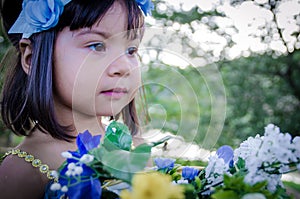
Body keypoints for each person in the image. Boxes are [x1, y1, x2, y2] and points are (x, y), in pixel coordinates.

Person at [0, 0, 152, 198]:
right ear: (31, 58)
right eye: (97, 46)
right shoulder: (23, 171)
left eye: (131, 50)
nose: (123, 67)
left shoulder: (137, 150)